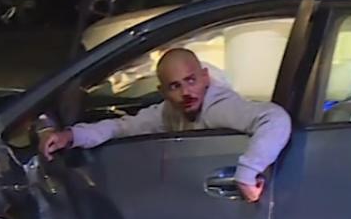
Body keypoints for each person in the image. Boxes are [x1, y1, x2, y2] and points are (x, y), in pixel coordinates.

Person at [40, 48, 291, 203]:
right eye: (175, 86)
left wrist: (247, 172)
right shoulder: (169, 111)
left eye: (191, 80)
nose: (186, 92)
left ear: (205, 77)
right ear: (162, 91)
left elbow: (275, 118)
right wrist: (70, 136)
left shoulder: (217, 106)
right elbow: (122, 128)